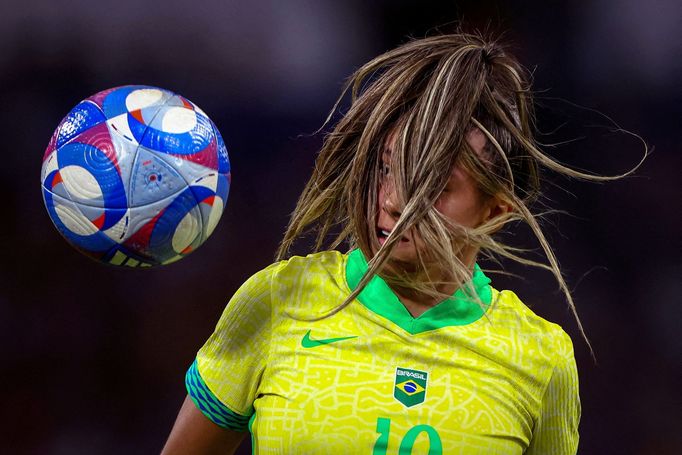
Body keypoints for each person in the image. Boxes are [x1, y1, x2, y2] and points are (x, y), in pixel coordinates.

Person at [162, 32, 638, 454]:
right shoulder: (278, 300)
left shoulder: (540, 359)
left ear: (495, 210)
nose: (391, 201)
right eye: (386, 167)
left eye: (432, 186)